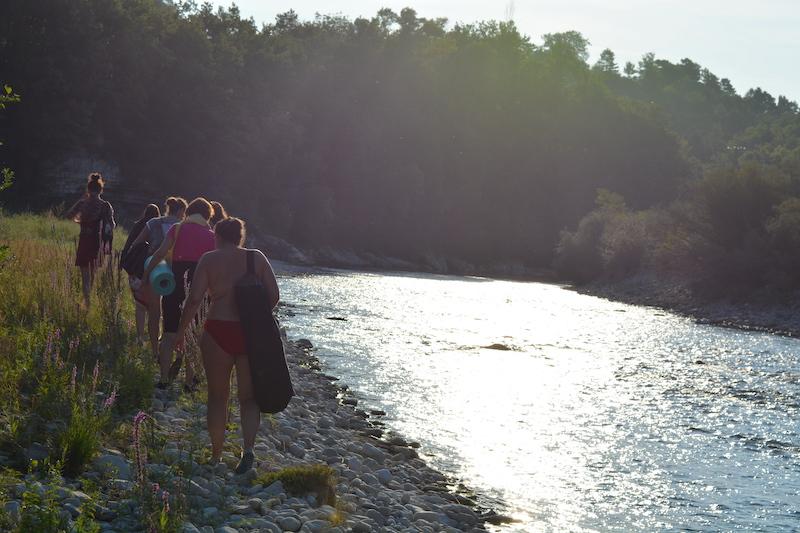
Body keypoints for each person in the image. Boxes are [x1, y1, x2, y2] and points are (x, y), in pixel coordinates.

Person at [171, 217, 279, 473]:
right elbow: (274, 296)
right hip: (249, 334)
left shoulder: (209, 259)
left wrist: (181, 331)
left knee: (217, 397)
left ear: (217, 236)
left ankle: (216, 455)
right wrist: (255, 317)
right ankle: (248, 451)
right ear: (240, 237)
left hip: (218, 329)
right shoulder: (256, 258)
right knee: (249, 398)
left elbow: (194, 299)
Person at [143, 197, 215, 390]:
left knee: (168, 333)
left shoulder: (177, 229)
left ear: (188, 213)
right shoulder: (212, 236)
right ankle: (189, 382)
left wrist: (147, 274)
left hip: (175, 286)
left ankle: (163, 379)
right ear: (207, 216)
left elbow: (160, 253)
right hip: (199, 288)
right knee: (194, 336)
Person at [130, 197, 187, 359]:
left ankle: (155, 351)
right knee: (177, 311)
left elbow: (136, 244)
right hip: (177, 271)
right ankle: (178, 352)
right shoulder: (183, 227)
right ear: (181, 211)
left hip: (153, 268)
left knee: (154, 311)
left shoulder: (153, 223)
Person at [65, 173, 115, 307]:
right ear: (101, 190)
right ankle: (87, 302)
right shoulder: (105, 205)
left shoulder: (82, 203)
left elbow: (69, 215)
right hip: (97, 242)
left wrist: (81, 217)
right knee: (92, 273)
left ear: (88, 189)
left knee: (84, 275)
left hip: (84, 240)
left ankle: (86, 300)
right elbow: (112, 225)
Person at [120, 203, 160, 345]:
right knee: (153, 305)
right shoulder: (157, 227)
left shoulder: (138, 226)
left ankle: (140, 337)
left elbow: (128, 246)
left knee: (139, 304)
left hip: (135, 269)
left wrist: (125, 265)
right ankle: (153, 334)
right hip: (153, 269)